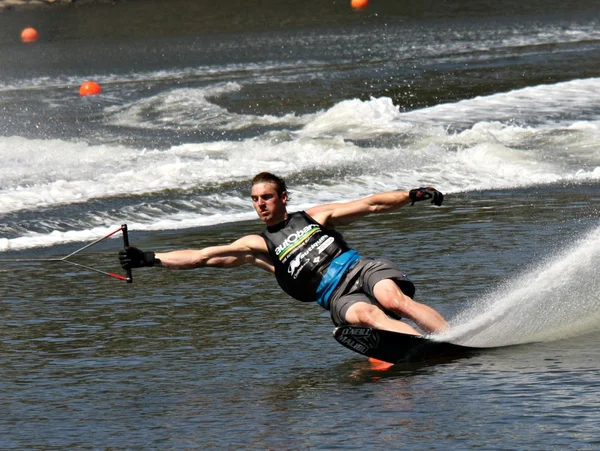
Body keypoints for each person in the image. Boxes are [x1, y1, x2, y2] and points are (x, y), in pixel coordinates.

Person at [119, 172, 449, 336]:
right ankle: (419, 346)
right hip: (334, 296)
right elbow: (202, 256)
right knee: (369, 317)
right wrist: (149, 258)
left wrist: (411, 195)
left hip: (360, 269)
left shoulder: (315, 216)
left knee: (394, 300)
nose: (260, 203)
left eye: (267, 196)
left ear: (283, 198)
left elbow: (370, 204)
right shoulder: (257, 244)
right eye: (255, 199)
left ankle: (449, 339)